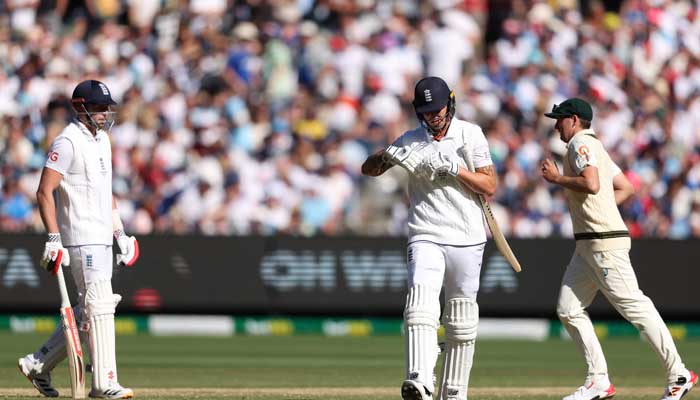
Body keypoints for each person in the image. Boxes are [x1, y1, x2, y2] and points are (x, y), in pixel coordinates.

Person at [540, 98, 697, 400]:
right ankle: (598, 380)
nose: (556, 125)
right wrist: (603, 209)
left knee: (635, 307)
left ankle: (678, 372)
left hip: (603, 242)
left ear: (574, 120)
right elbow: (625, 187)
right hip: (588, 244)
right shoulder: (596, 146)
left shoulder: (580, 145)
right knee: (568, 309)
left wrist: (557, 178)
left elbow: (592, 183)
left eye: (560, 119)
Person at [361, 76, 497, 400]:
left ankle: (453, 392)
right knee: (420, 304)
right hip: (426, 234)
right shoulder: (410, 140)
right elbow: (369, 169)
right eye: (427, 111)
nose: (433, 116)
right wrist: (388, 156)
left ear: (449, 104)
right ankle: (420, 380)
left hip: (467, 235)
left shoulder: (470, 134)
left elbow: (490, 186)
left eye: (437, 110)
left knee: (461, 321)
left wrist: (456, 169)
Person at [18, 80, 140, 399]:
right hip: (81, 237)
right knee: (99, 305)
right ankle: (103, 383)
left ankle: (37, 363)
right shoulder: (67, 141)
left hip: (102, 236)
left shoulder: (103, 141)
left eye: (105, 107)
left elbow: (106, 191)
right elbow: (44, 191)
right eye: (97, 108)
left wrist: (120, 233)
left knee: (88, 312)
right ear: (79, 107)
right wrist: (54, 238)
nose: (103, 113)